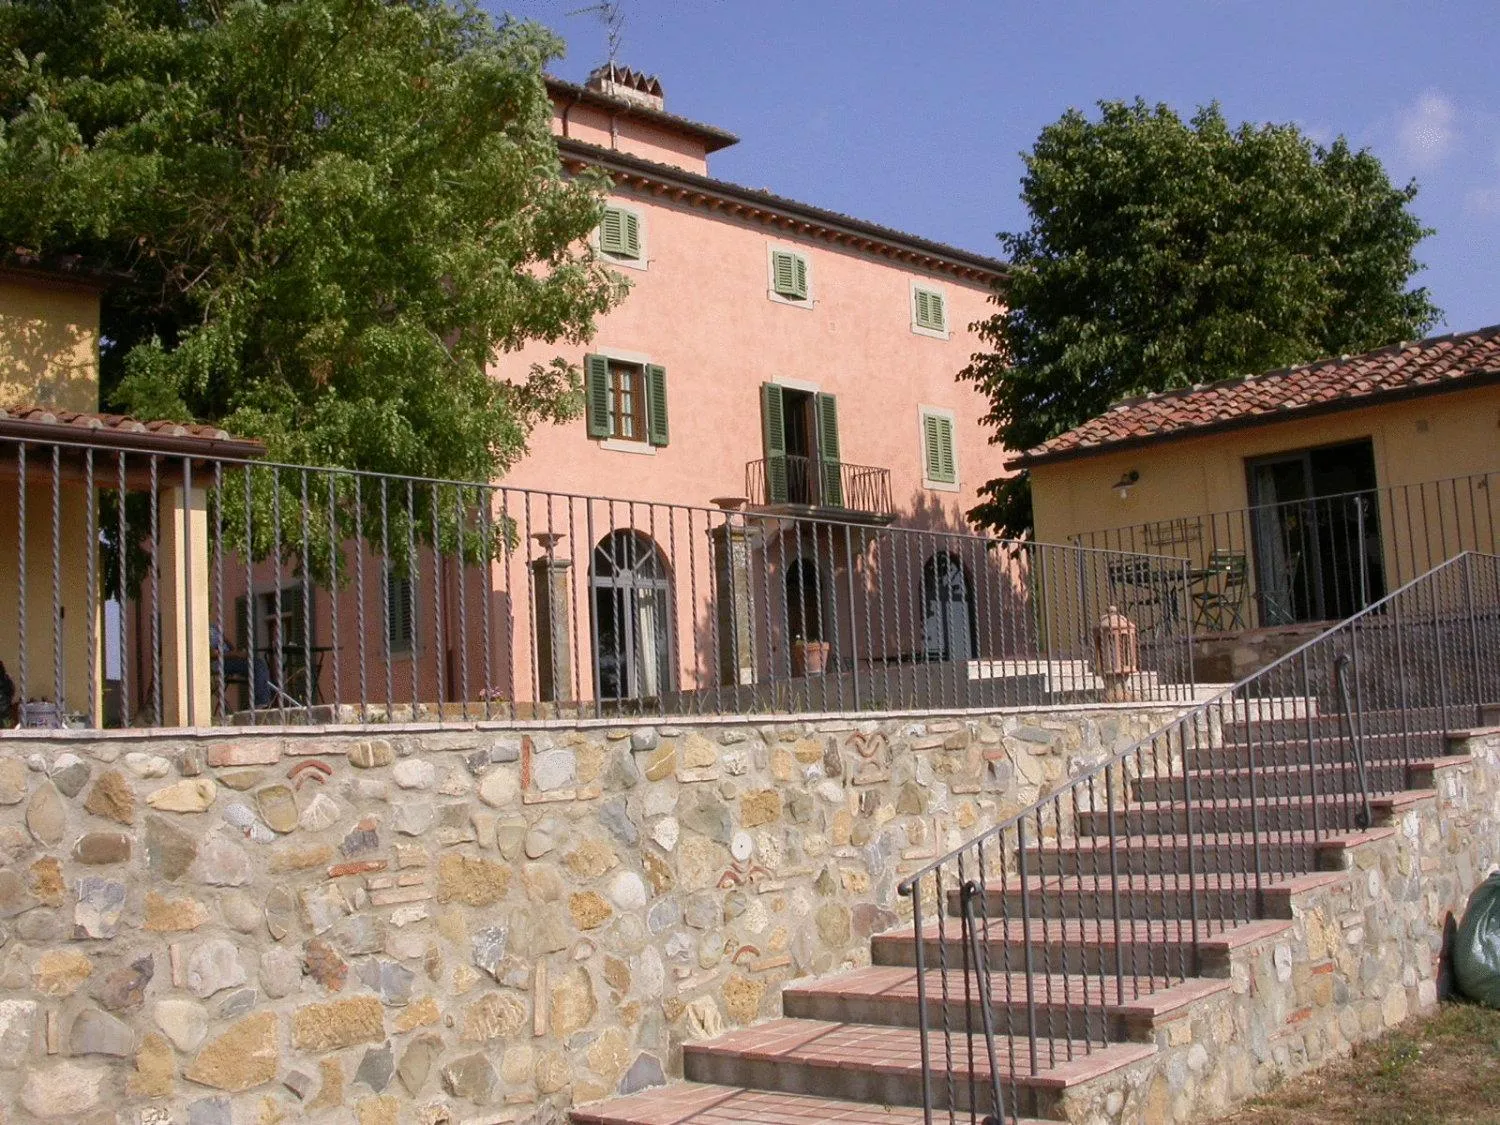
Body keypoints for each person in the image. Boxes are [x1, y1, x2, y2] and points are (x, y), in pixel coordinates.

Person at [209, 623, 274, 708]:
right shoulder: (203, 631)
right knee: (257, 666)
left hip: (232, 659)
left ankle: (264, 699)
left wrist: (237, 651)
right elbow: (212, 654)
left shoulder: (213, 627)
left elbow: (230, 646)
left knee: (259, 664)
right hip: (219, 663)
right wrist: (236, 654)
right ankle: (259, 702)